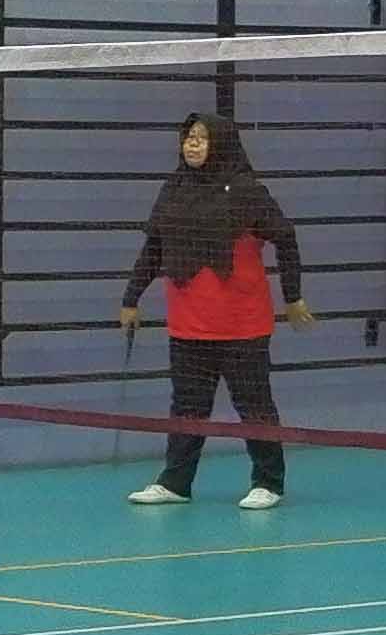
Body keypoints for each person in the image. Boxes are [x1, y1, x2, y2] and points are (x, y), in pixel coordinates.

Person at [116, 109, 309, 511]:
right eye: (189, 136)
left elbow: (286, 240)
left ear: (220, 144)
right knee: (187, 409)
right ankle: (175, 483)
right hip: (188, 326)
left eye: (202, 137)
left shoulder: (247, 192)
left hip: (242, 327)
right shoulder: (174, 190)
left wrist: (293, 297)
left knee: (254, 407)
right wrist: (131, 298)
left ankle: (268, 482)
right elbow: (154, 249)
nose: (193, 143)